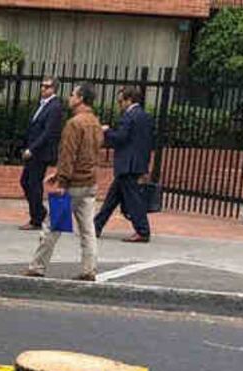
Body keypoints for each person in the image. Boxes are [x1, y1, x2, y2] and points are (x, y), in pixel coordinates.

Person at [25, 83, 105, 281]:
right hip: (89, 182)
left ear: (80, 98)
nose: (69, 98)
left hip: (72, 184)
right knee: (88, 230)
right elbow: (92, 154)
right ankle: (89, 268)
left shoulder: (73, 124)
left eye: (72, 94)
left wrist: (62, 180)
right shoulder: (95, 123)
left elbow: (68, 155)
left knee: (52, 226)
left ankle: (37, 266)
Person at [94, 86, 154, 243]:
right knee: (112, 198)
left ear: (129, 100)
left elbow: (120, 137)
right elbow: (147, 142)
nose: (119, 105)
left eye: (121, 101)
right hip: (136, 163)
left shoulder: (128, 116)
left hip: (127, 164)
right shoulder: (145, 116)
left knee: (133, 200)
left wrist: (106, 131)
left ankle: (143, 230)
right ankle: (96, 226)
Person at [19, 78, 64, 230]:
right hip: (34, 151)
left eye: (47, 86)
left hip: (40, 153)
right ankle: (40, 213)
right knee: (26, 182)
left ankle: (37, 218)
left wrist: (32, 149)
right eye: (42, 86)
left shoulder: (55, 107)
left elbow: (48, 132)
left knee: (33, 184)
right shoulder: (42, 105)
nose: (43, 89)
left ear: (54, 89)